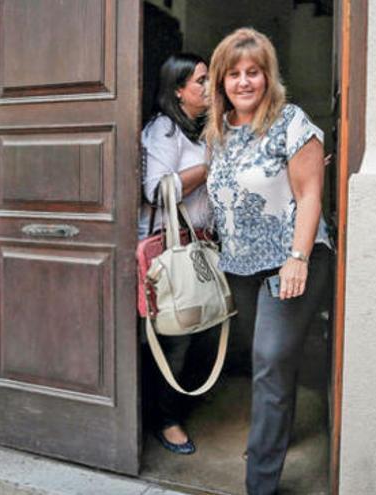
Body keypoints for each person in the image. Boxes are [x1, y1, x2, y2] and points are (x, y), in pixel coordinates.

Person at [204, 28, 333, 494]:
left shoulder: (291, 122)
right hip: (240, 267)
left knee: (270, 358)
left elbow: (310, 194)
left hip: (291, 261)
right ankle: (275, 436)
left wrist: (297, 258)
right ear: (220, 82)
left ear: (267, 76)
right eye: (233, 74)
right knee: (270, 363)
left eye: (253, 72)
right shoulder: (218, 133)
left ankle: (259, 484)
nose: (243, 82)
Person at [139, 53, 212, 455]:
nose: (209, 86)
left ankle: (177, 404)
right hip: (171, 247)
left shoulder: (200, 130)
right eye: (201, 80)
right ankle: (165, 420)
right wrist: (210, 166)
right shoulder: (164, 130)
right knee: (174, 335)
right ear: (179, 91)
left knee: (197, 327)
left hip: (197, 244)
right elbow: (157, 190)